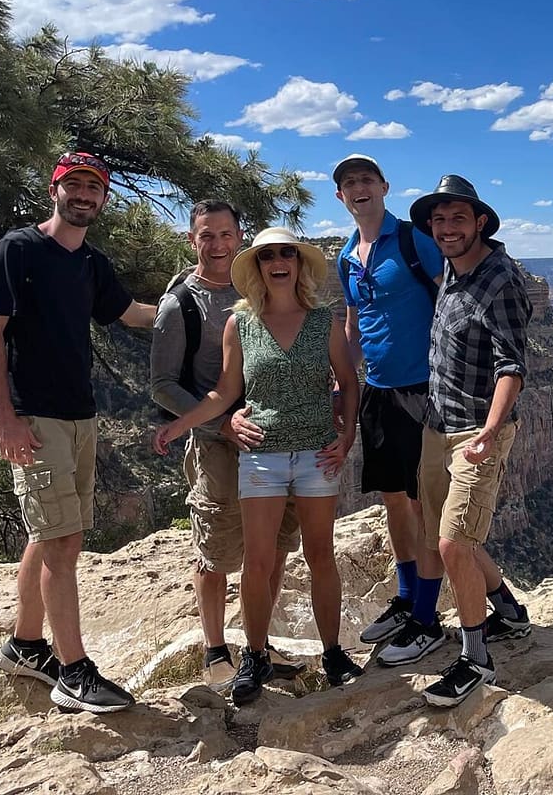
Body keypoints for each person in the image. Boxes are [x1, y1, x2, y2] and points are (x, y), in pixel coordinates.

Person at [234, 154, 448, 666]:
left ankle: (426, 618)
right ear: (339, 196)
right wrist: (336, 382)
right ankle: (404, 599)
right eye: (348, 182)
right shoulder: (351, 253)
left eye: (366, 180)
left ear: (383, 185)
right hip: (376, 390)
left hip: (424, 387)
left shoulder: (416, 240)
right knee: (395, 500)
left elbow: (451, 301)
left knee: (423, 507)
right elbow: (352, 328)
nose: (358, 188)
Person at [153, 227, 364, 704]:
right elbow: (225, 393)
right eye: (268, 255)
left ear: (299, 263)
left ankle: (332, 654)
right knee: (258, 560)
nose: (278, 261)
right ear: (258, 267)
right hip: (262, 457)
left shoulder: (322, 322)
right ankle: (255, 655)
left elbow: (349, 383)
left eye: (287, 252)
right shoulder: (239, 323)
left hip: (316, 454)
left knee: (320, 556)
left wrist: (347, 435)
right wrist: (179, 424)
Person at [0, 152, 157, 714]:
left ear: (103, 199)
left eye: (94, 187)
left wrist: (206, 304)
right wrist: (5, 417)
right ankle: (74, 671)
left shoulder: (91, 263)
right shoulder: (20, 249)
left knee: (52, 531)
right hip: (34, 416)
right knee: (63, 540)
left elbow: (130, 313)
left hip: (80, 415)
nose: (84, 195)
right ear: (55, 188)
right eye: (74, 184)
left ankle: (26, 645)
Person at [150, 200, 303, 694]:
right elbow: (162, 384)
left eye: (225, 234)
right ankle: (216, 650)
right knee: (216, 551)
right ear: (192, 240)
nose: (217, 244)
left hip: (276, 444)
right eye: (206, 236)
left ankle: (257, 645)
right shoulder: (182, 304)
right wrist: (221, 424)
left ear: (240, 238)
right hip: (218, 446)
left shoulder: (259, 289)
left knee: (275, 547)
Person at [408, 175, 533, 708]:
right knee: (451, 534)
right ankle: (508, 612)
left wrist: (489, 429)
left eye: (458, 217)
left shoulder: (499, 279)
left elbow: (512, 365)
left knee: (453, 543)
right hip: (438, 426)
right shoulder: (452, 270)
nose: (447, 228)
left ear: (480, 221)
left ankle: (475, 657)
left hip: (476, 433)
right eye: (439, 219)